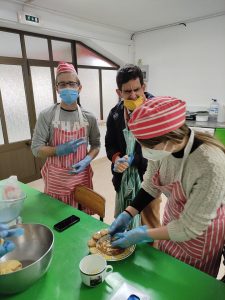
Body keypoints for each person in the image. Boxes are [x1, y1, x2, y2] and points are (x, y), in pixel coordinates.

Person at [109, 96, 225, 278]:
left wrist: (143, 234)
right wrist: (128, 213)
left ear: (169, 137)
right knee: (165, 272)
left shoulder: (210, 164)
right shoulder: (162, 150)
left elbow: (189, 228)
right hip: (173, 221)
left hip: (200, 232)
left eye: (147, 145)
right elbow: (149, 186)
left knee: (186, 284)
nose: (145, 151)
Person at [31, 62, 100, 212]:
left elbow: (96, 145)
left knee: (81, 219)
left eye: (71, 83)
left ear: (79, 87)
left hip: (81, 179)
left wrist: (87, 159)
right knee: (57, 218)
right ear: (57, 88)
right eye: (62, 84)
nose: (67, 88)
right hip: (56, 181)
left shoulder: (89, 117)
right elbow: (36, 149)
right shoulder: (47, 115)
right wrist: (58, 150)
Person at [105, 64, 161, 229]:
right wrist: (116, 159)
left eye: (137, 89)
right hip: (123, 179)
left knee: (149, 226)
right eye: (127, 92)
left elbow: (160, 152)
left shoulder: (156, 112)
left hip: (149, 180)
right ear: (119, 92)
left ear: (144, 87)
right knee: (125, 223)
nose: (133, 95)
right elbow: (110, 144)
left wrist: (135, 159)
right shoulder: (115, 114)